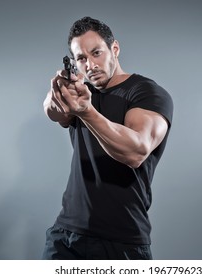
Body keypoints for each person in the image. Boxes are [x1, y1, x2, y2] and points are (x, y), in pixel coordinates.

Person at [42, 16, 173, 260]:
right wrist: (57, 93)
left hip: (121, 240)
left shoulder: (146, 92)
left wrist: (86, 111)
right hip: (66, 235)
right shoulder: (82, 91)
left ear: (115, 49)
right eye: (81, 58)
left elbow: (136, 152)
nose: (90, 65)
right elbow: (53, 113)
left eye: (96, 53)